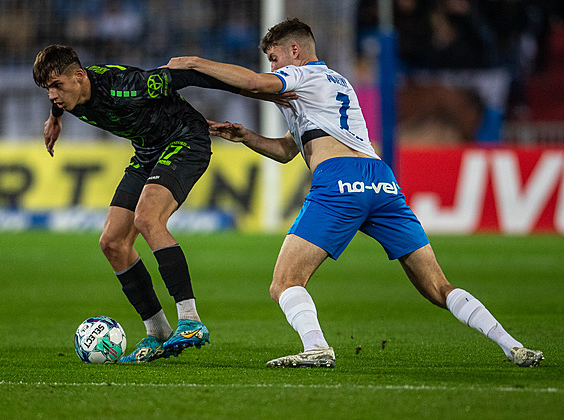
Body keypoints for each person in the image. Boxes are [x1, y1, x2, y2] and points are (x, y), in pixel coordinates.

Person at [164, 18, 544, 368]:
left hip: (340, 180)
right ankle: (512, 346)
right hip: (381, 180)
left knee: (285, 283)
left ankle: (316, 347)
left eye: (275, 58)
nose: (274, 67)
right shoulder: (333, 84)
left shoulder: (303, 75)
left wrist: (196, 64)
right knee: (437, 287)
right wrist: (246, 136)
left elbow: (253, 84)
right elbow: (286, 152)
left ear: (295, 51)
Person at [32, 45, 291, 363]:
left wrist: (261, 92)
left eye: (56, 86)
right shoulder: (68, 96)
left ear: (79, 76)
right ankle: (157, 332)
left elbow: (192, 75)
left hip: (185, 140)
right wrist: (54, 119)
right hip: (146, 151)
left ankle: (191, 321)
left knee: (148, 218)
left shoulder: (127, 87)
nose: (53, 96)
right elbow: (58, 99)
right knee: (113, 242)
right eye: (48, 90)